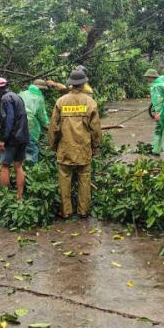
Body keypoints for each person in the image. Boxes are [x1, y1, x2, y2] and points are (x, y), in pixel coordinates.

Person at [48, 69, 102, 219]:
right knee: (84, 178)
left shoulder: (61, 101)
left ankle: (66, 211)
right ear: (84, 83)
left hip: (65, 147)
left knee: (64, 178)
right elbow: (95, 127)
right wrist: (96, 145)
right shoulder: (90, 102)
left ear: (70, 84)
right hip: (84, 147)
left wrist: (53, 145)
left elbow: (54, 126)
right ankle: (83, 211)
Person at [0, 77, 30, 199]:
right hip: (23, 137)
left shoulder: (5, 99)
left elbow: (9, 120)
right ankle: (19, 196)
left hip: (12, 138)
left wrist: (3, 139)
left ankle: (4, 198)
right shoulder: (16, 96)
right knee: (18, 166)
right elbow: (17, 119)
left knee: (5, 166)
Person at [18, 79, 50, 163]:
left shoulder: (22, 94)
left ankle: (20, 168)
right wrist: (46, 124)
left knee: (21, 147)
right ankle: (31, 170)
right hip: (30, 126)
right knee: (32, 150)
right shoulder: (39, 98)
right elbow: (41, 114)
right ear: (41, 89)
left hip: (17, 126)